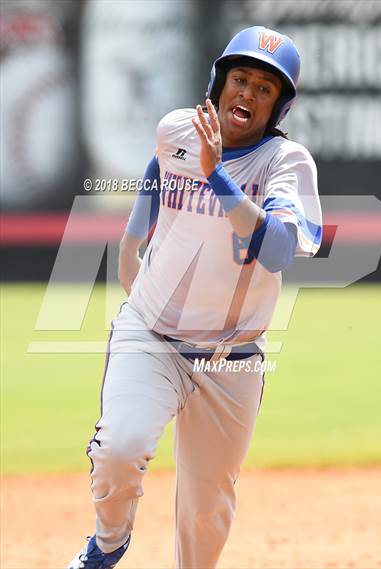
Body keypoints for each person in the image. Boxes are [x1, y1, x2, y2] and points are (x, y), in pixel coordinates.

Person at [68, 25, 322, 569]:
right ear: (220, 81)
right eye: (241, 78)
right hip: (152, 335)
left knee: (207, 510)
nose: (248, 94)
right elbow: (162, 166)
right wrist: (133, 240)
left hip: (231, 357)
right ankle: (107, 546)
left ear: (278, 107)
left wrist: (218, 177)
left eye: (264, 88)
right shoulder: (177, 129)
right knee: (119, 449)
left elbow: (277, 250)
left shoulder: (287, 164)